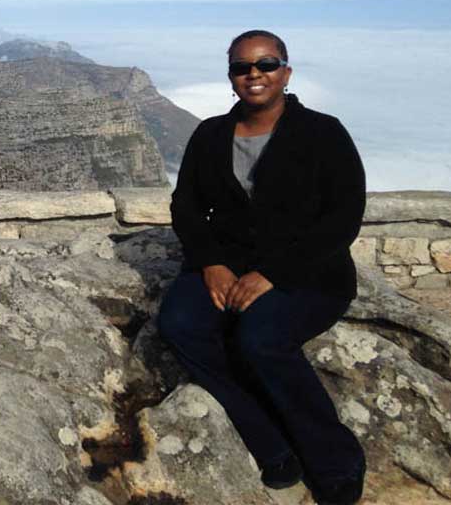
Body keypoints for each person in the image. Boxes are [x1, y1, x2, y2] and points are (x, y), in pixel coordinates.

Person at [156, 29, 367, 505]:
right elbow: (186, 206)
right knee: (179, 325)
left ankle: (335, 460)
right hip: (226, 266)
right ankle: (269, 442)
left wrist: (273, 274)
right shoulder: (211, 134)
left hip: (310, 274)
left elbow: (343, 217)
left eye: (266, 64)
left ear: (285, 73)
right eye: (242, 67)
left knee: (260, 338)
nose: (254, 74)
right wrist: (211, 264)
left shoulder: (323, 132)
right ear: (231, 76)